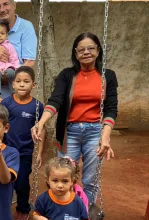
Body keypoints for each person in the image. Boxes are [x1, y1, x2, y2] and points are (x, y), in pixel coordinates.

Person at [32, 32, 118, 205]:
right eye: (81, 49)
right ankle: (64, 213)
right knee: (64, 176)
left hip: (95, 132)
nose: (86, 52)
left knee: (91, 179)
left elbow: (111, 109)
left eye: (90, 48)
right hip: (69, 132)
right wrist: (41, 123)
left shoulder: (107, 76)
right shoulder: (67, 75)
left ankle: (85, 218)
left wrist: (105, 136)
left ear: (98, 50)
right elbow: (55, 100)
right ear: (75, 53)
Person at [1, 66, 43, 220]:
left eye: (26, 81)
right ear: (13, 84)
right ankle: (3, 209)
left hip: (25, 152)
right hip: (5, 151)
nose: (21, 85)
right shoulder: (7, 103)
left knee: (21, 182)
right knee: (4, 180)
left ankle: (23, 209)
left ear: (34, 85)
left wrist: (39, 153)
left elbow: (41, 131)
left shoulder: (37, 106)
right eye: (18, 81)